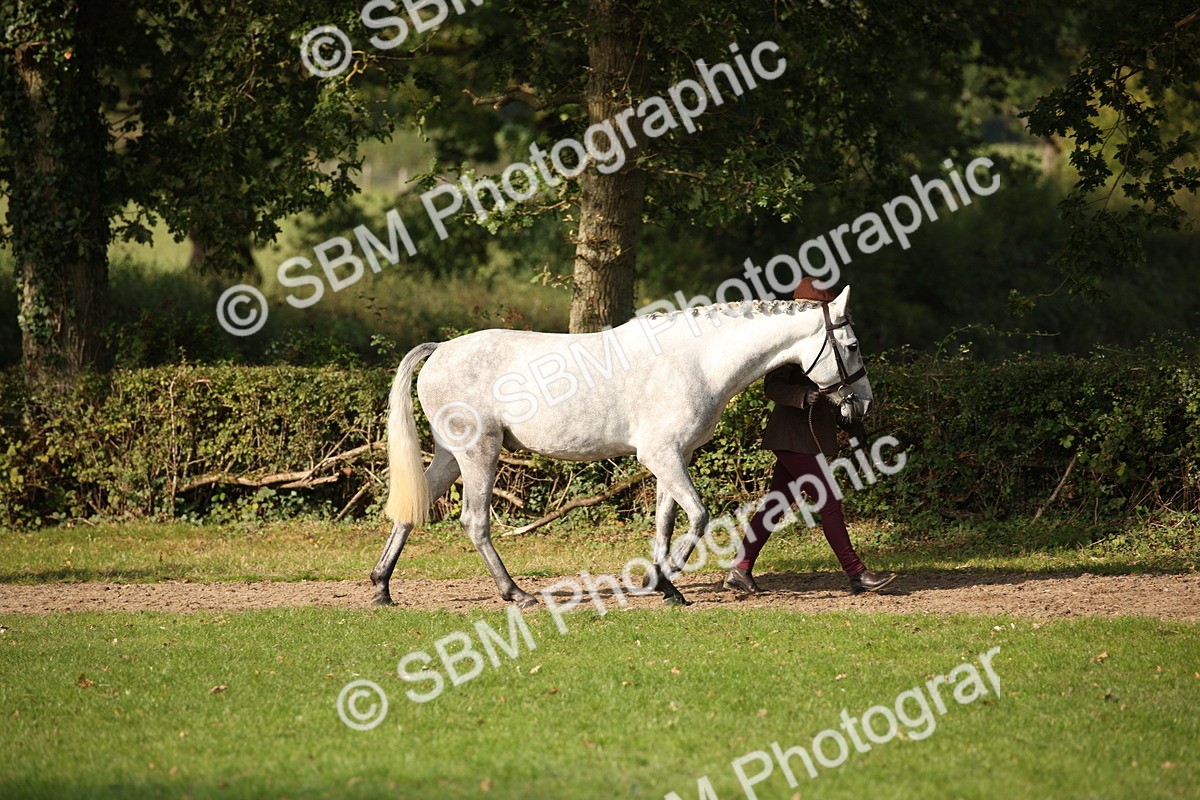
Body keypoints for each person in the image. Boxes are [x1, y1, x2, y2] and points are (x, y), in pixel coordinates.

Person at [724, 277, 897, 595]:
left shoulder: (827, 342)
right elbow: (772, 387)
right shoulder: (789, 346)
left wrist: (858, 435)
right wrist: (801, 396)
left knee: (775, 505)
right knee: (829, 502)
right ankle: (857, 574)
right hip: (792, 436)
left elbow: (839, 392)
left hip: (806, 437)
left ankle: (741, 568)